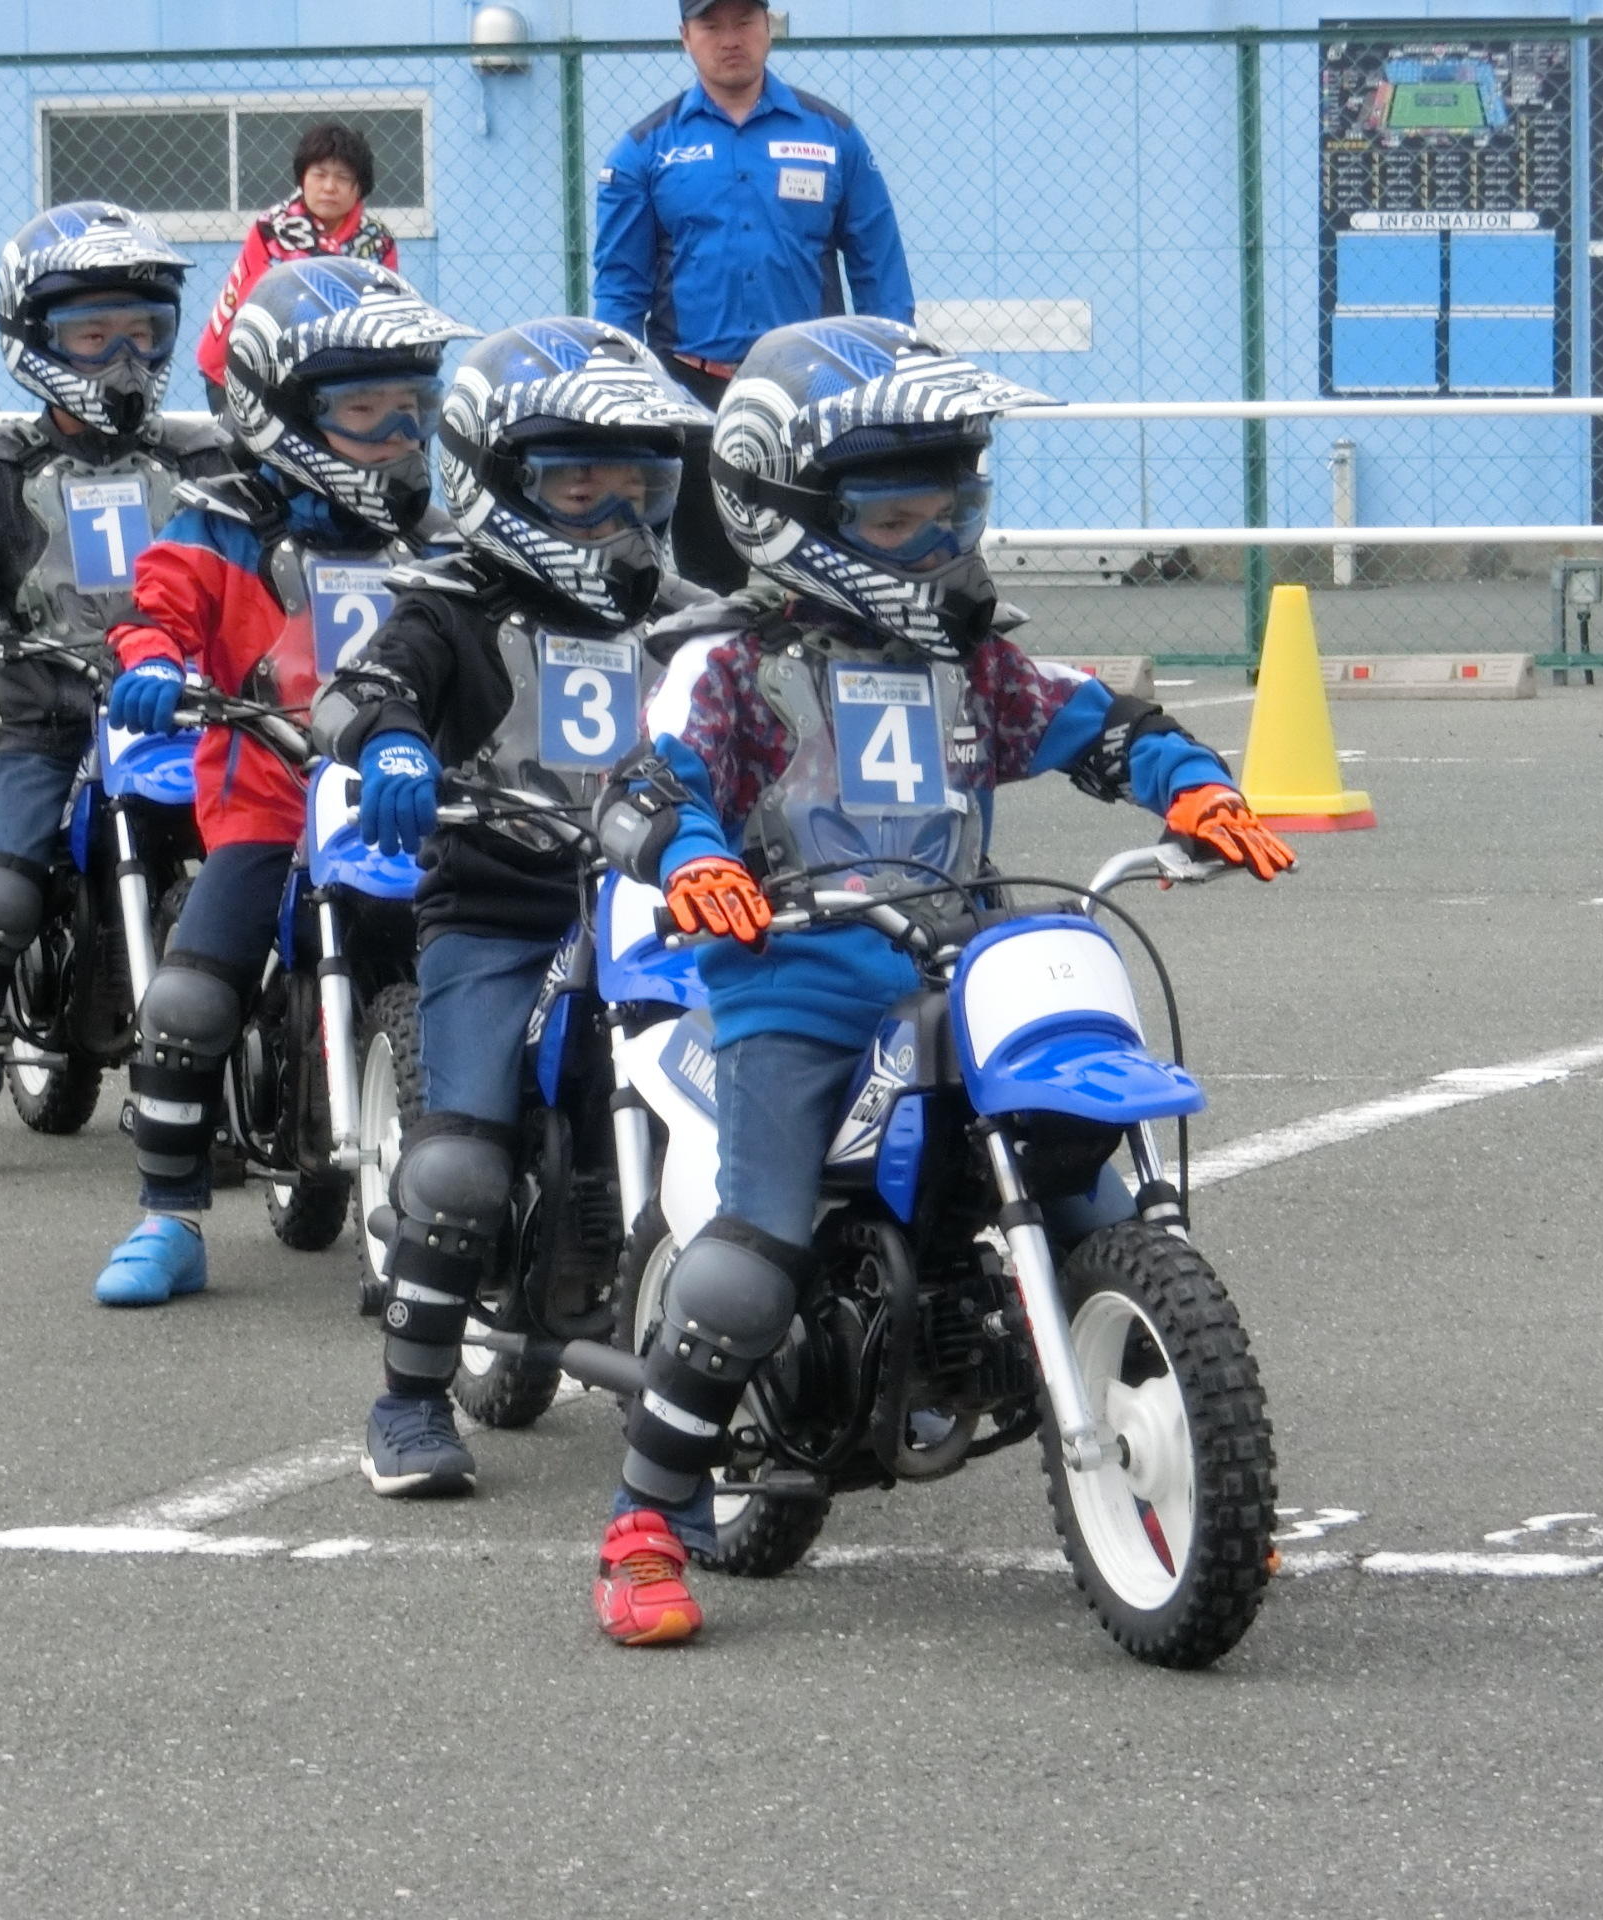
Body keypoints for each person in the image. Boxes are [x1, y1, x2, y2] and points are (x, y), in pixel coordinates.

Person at [583, 317, 1298, 1645]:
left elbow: (1102, 722)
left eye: (953, 502)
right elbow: (657, 783)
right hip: (790, 981)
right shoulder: (737, 669)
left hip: (957, 968)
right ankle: (644, 1514)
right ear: (789, 512)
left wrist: (1191, 784)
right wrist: (695, 862)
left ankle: (1193, 1476)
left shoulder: (974, 668)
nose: (941, 537)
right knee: (750, 1262)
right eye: (901, 510)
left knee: (1097, 1191)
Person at [308, 317, 715, 1494]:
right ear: (496, 483)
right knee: (463, 1163)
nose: (617, 513)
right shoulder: (451, 604)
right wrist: (387, 747)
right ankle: (409, 1400)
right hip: (500, 908)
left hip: (658, 907)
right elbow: (365, 689)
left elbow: (768, 727)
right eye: (577, 482)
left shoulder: (688, 620)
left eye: (640, 483)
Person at [88, 258, 475, 1305]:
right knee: (188, 994)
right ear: (284, 414)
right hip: (268, 796)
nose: (400, 434)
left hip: (405, 799)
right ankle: (167, 1215)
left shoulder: (439, 544)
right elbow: (154, 607)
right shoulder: (222, 524)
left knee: (488, 981)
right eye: (365, 409)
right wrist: (155, 665)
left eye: (414, 408)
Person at [0, 201, 234, 1181]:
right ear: (32, 339)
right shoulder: (5, 463)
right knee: (2, 889)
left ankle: (258, 1071)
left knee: (255, 871)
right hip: (53, 715)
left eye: (145, 334)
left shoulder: (202, 457)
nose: (122, 360)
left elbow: (262, 559)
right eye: (93, 336)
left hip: (185, 712)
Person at [592, 0, 914, 591]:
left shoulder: (833, 136)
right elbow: (619, 289)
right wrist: (622, 398)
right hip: (693, 399)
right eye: (710, 24)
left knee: (821, 575)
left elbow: (879, 269)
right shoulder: (644, 149)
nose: (729, 38)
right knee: (711, 583)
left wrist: (886, 381)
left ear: (769, 26)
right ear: (684, 37)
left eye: (743, 21)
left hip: (811, 397)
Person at [194, 122, 400, 412]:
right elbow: (257, 308)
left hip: (328, 376)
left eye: (342, 177)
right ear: (302, 178)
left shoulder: (378, 241)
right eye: (319, 175)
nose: (329, 187)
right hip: (239, 365)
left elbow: (385, 313)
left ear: (359, 188)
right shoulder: (272, 230)